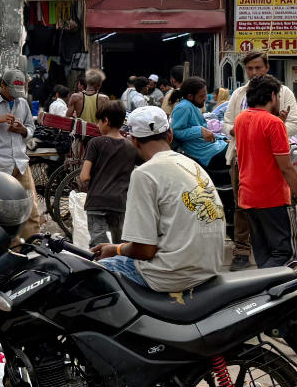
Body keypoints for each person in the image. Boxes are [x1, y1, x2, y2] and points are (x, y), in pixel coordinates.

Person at [93, 106, 225, 293]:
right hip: (208, 270)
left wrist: (116, 249)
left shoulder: (144, 174)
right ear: (170, 135)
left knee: (93, 273)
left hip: (170, 276)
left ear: (134, 140)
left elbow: (145, 250)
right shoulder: (192, 165)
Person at [223, 52, 297, 270]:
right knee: (243, 207)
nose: (254, 72)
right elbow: (227, 124)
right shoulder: (239, 94)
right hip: (242, 157)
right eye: (250, 68)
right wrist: (243, 130)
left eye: (258, 67)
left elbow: (294, 124)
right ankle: (242, 251)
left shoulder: (283, 93)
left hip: (273, 158)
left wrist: (270, 127)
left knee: (272, 210)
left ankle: (268, 267)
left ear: (267, 68)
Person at [235, 75, 297, 269]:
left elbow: (258, 148)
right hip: (272, 198)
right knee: (285, 253)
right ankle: (269, 287)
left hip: (248, 196)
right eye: (279, 96)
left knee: (263, 254)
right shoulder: (273, 124)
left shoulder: (241, 119)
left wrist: (279, 122)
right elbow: (286, 168)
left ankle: (262, 285)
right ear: (273, 96)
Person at [0, 70, 43, 236]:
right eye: (11, 92)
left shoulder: (22, 103)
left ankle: (31, 242)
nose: (14, 97)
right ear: (2, 85)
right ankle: (0, 243)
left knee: (31, 207)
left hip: (21, 163)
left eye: (17, 93)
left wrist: (23, 130)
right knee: (0, 210)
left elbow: (31, 128)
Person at [78, 101, 141, 248]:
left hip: (96, 202)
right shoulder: (131, 146)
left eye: (99, 122)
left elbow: (84, 176)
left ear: (106, 120)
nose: (97, 126)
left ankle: (103, 263)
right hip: (120, 203)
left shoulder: (95, 143)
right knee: (121, 246)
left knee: (99, 247)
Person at [170, 76, 227, 171]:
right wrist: (199, 131)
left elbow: (204, 130)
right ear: (190, 96)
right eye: (202, 96)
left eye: (205, 95)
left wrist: (222, 138)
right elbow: (176, 132)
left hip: (214, 147)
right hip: (207, 153)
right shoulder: (183, 107)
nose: (205, 98)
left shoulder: (193, 106)